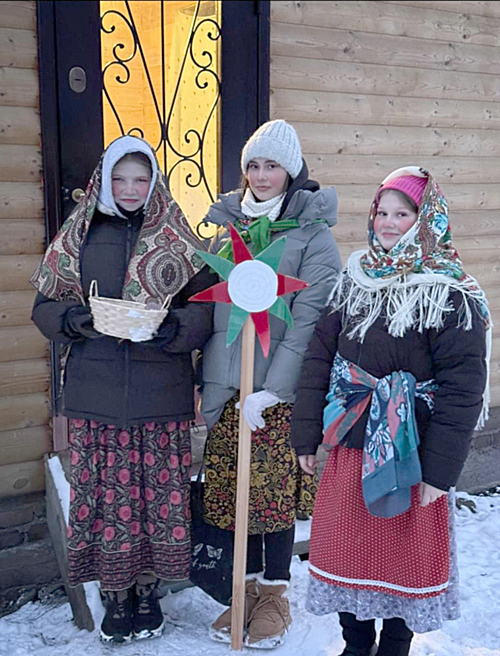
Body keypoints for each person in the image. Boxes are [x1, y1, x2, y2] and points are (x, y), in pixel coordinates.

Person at [290, 167, 491, 656]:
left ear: (426, 221)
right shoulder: (356, 278)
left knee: (403, 559)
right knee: (345, 550)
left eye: (403, 214)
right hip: (351, 444)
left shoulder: (449, 292)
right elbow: (320, 357)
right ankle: (355, 645)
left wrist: (439, 473)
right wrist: (305, 433)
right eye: (382, 212)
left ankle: (396, 646)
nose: (388, 222)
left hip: (411, 456)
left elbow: (463, 390)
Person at [30, 135, 216, 645]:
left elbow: (206, 307)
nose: (130, 188)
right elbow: (43, 308)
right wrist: (75, 319)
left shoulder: (176, 236)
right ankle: (115, 595)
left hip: (162, 392)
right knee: (109, 499)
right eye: (119, 178)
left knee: (159, 499)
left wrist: (175, 328)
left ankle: (149, 592)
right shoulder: (79, 236)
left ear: (154, 182)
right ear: (103, 182)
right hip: (97, 393)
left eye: (140, 178)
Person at [199, 119, 342, 648]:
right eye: (253, 165)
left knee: (272, 498)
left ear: (292, 170)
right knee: (234, 494)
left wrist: (275, 390)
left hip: (274, 397)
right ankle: (244, 594)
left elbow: (309, 322)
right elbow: (213, 312)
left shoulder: (313, 236)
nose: (261, 176)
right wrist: (208, 382)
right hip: (229, 387)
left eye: (272, 166)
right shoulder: (227, 227)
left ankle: (275, 595)